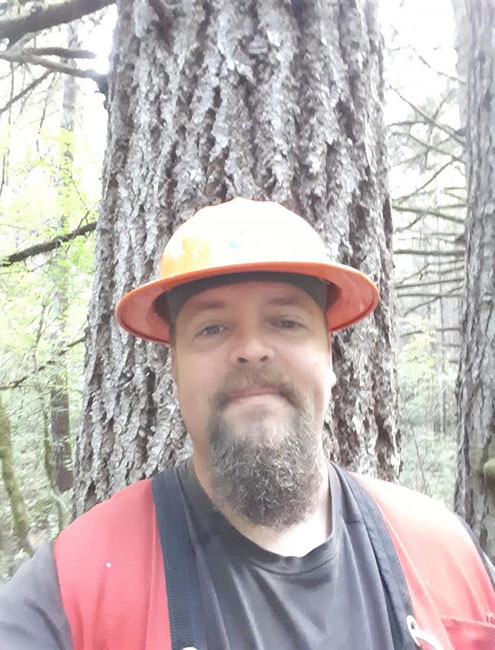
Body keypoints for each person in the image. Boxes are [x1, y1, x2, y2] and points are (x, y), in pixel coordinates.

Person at [0, 197, 494, 650]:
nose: (251, 348)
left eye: (285, 321)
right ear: (175, 371)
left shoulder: (448, 559)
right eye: (212, 328)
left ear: (328, 356)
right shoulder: (73, 594)